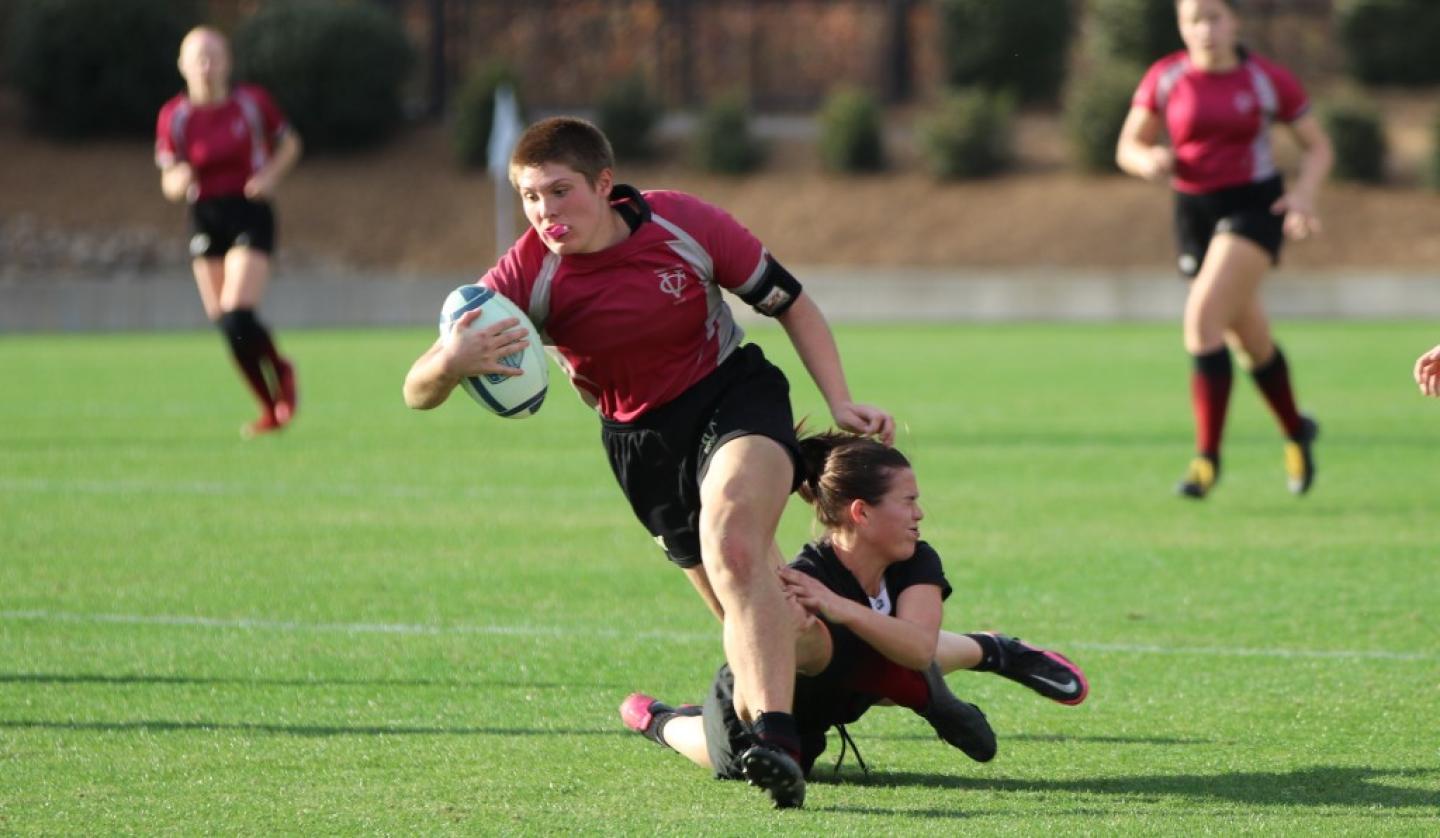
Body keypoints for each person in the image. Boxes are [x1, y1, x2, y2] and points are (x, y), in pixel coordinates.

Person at [402, 117, 894, 807]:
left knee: (733, 542)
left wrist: (838, 397)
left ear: (605, 185)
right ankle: (864, 685)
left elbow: (792, 303)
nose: (545, 212)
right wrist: (451, 363)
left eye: (560, 191)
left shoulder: (684, 223)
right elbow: (414, 390)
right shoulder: (528, 274)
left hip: (734, 396)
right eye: (529, 196)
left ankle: (780, 737)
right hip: (641, 448)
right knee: (774, 620)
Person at [618, 432, 1088, 806]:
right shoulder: (805, 580)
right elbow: (752, 675)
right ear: (862, 512)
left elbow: (920, 648)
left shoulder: (915, 559)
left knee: (890, 649)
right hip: (757, 714)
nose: (919, 512)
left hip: (856, 683)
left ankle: (995, 650)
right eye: (907, 501)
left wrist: (841, 607)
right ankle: (657, 719)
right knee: (735, 754)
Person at [1115, 0, 1333, 499]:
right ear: (1180, 26)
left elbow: (1318, 147)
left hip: (1254, 207)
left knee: (1202, 321)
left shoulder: (1265, 79)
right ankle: (1297, 430)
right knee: (1248, 340)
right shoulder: (1166, 77)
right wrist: (1145, 159)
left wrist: (1302, 195)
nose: (1205, 29)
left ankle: (1206, 461)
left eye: (1214, 17)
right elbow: (1127, 145)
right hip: (1194, 213)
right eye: (1194, 19)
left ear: (1235, 22)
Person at [155, 26, 302, 438]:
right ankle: (268, 407)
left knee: (238, 308)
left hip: (250, 211)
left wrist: (270, 176)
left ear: (227, 62)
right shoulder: (174, 116)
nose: (205, 66)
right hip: (205, 216)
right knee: (225, 322)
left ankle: (282, 371)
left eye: (213, 56)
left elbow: (290, 144)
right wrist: (178, 180)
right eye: (197, 58)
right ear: (182, 65)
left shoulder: (251, 103)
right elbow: (168, 179)